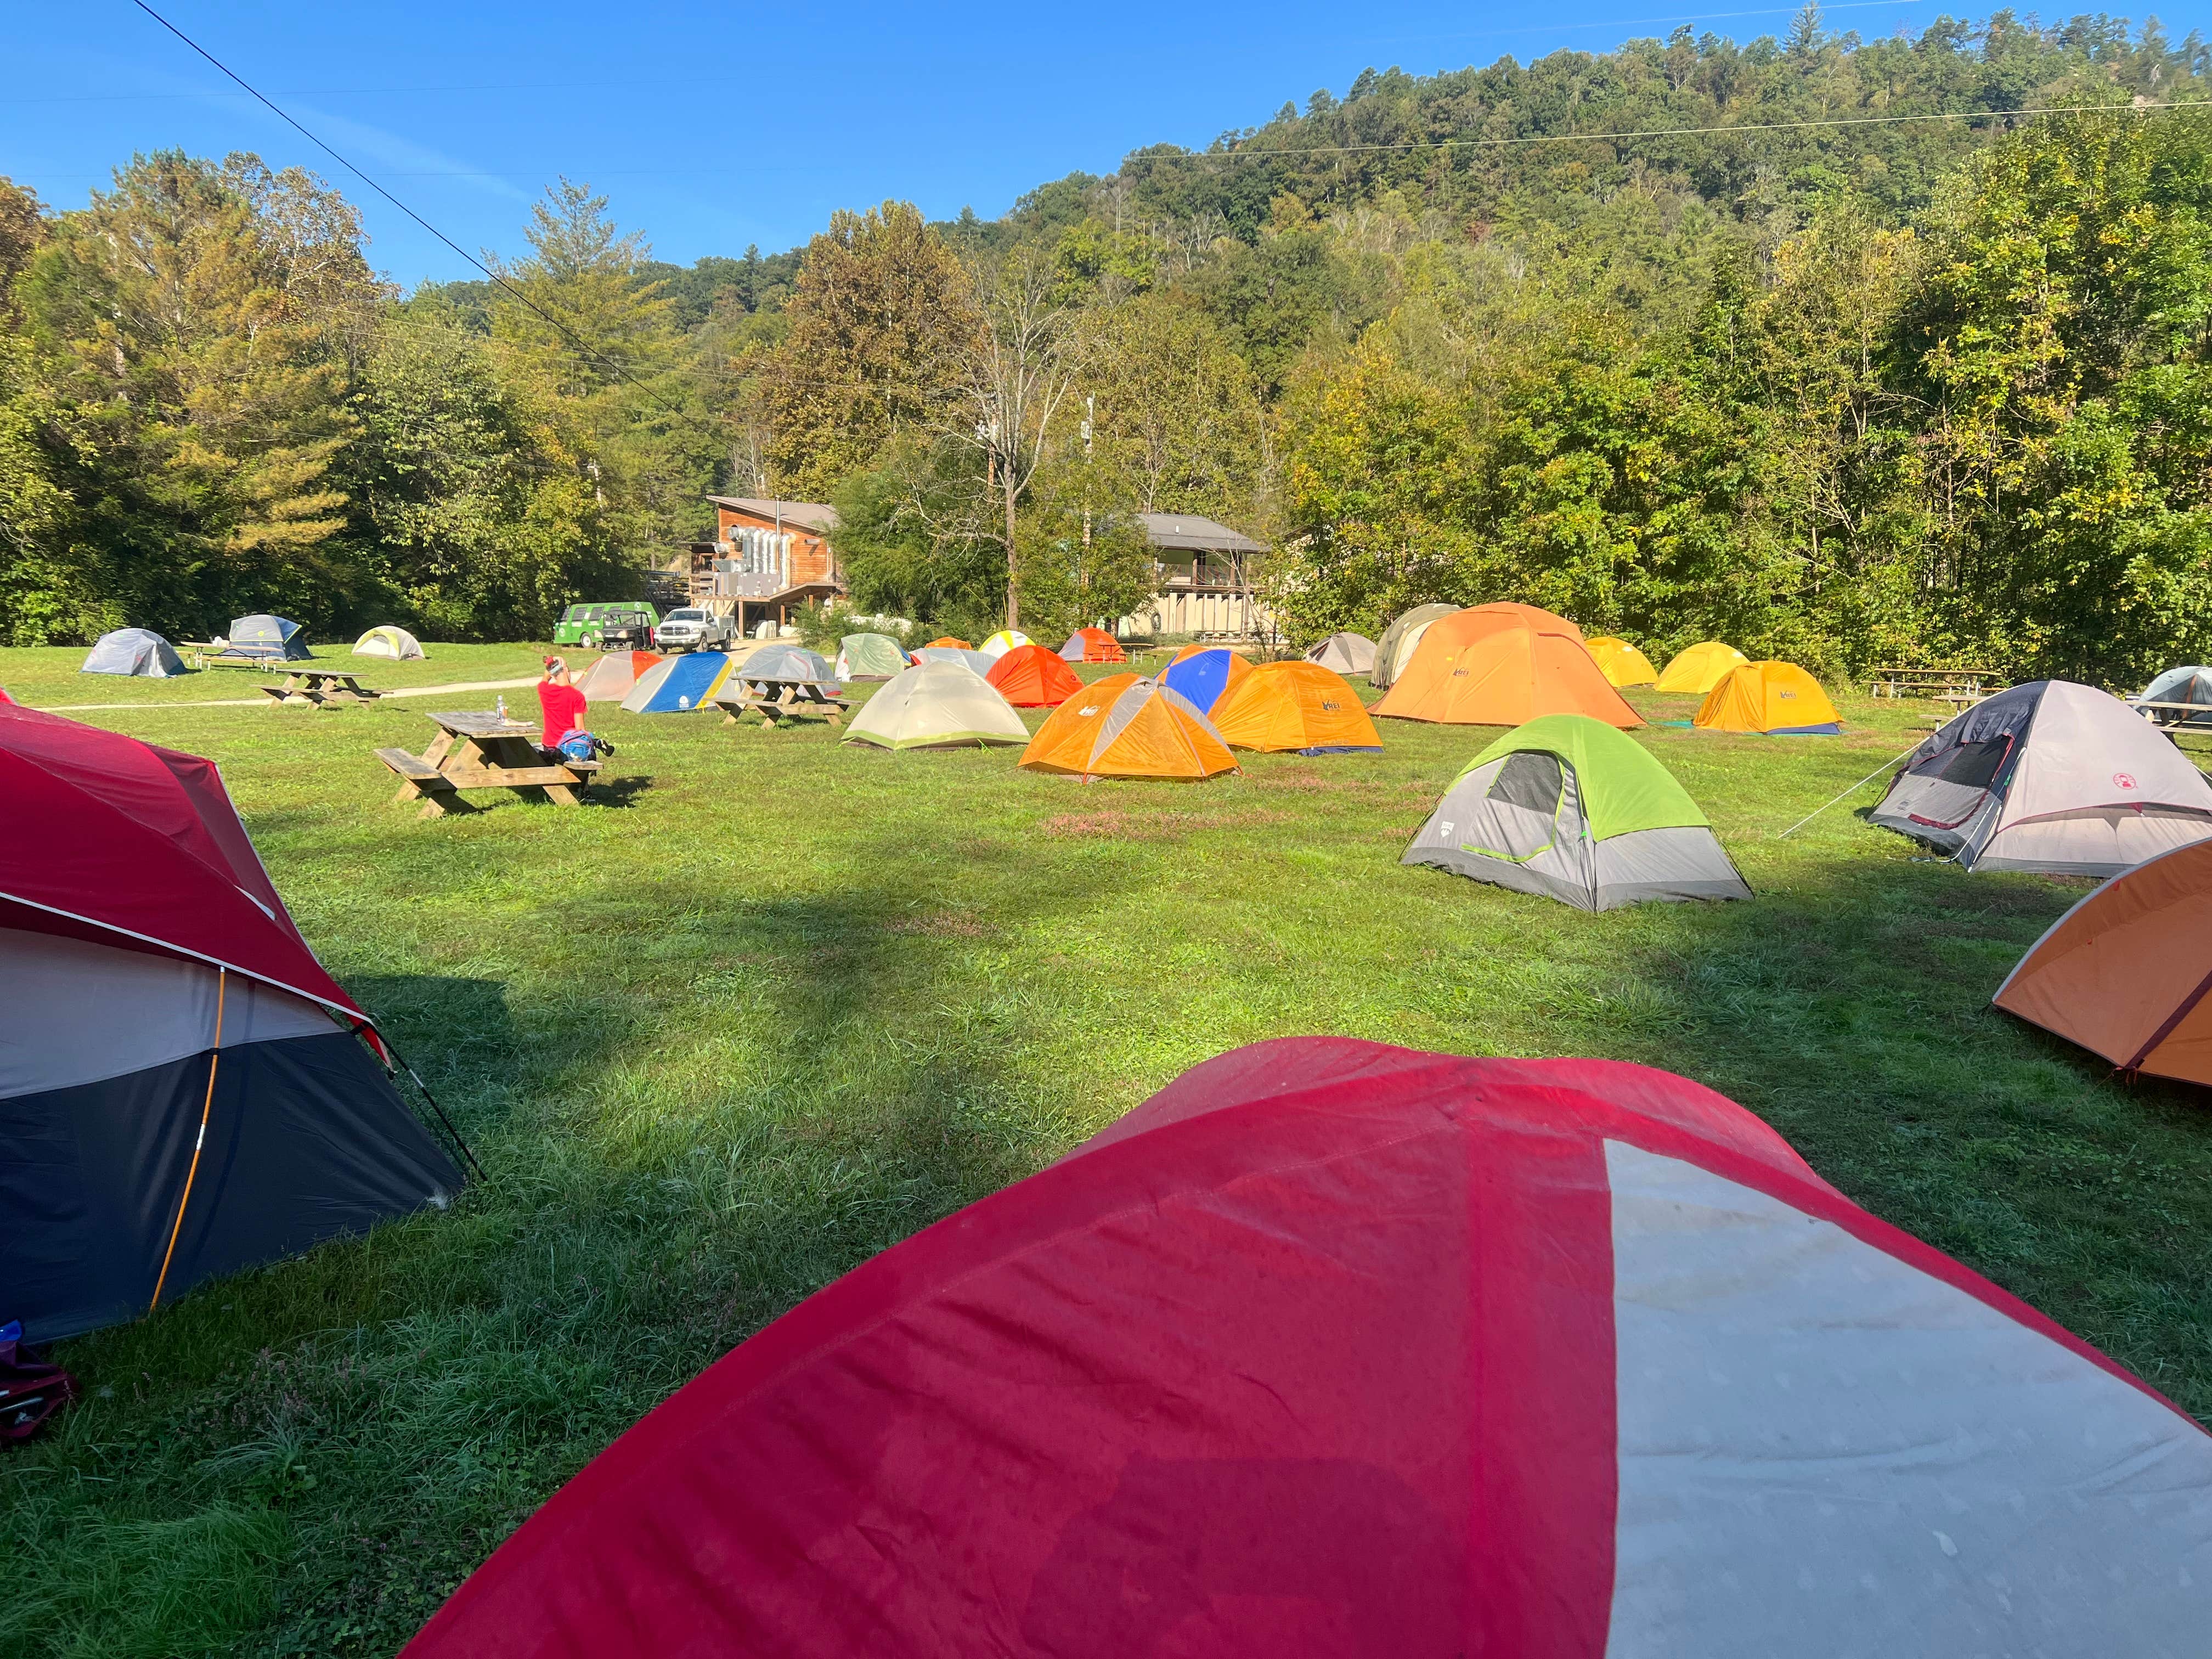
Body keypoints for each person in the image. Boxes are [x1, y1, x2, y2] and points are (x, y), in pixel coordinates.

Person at [536, 657, 587, 753]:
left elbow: (545, 679)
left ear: (552, 675)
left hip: (549, 745)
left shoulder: (543, 689)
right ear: (566, 669)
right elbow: (579, 729)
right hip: (568, 746)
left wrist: (548, 671)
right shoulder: (577, 696)